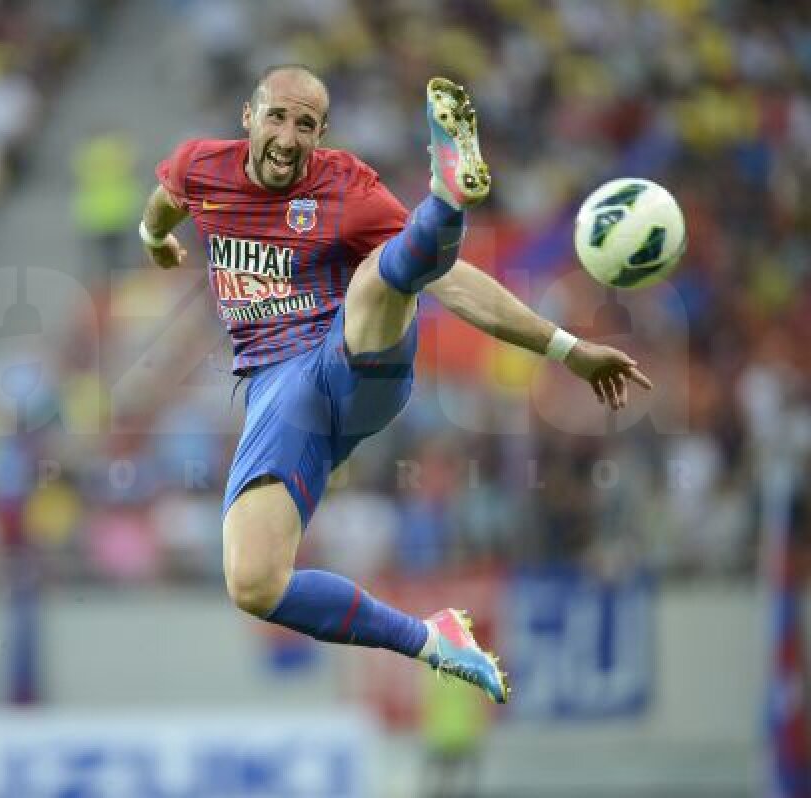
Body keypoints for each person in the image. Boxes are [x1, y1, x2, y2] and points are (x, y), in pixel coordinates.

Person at [137, 65, 652, 703]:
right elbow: (166, 202)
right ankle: (432, 641)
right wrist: (154, 236)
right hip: (279, 400)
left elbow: (453, 281)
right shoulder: (199, 167)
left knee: (380, 275)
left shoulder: (344, 188)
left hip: (352, 362)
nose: (288, 136)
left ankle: (447, 197)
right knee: (253, 583)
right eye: (277, 117)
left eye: (306, 125)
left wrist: (566, 350)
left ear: (321, 134)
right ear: (248, 116)